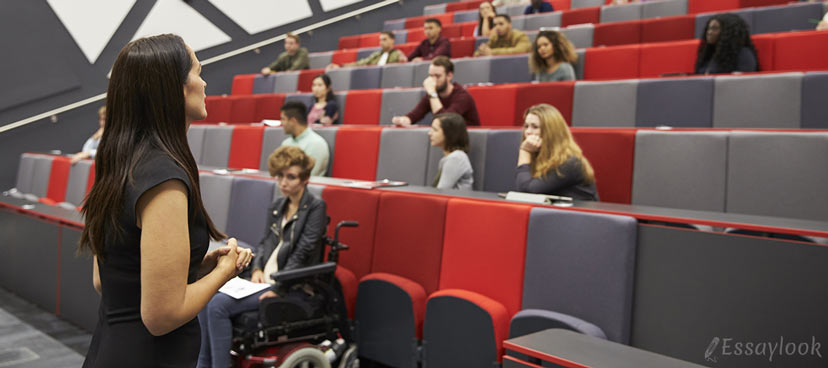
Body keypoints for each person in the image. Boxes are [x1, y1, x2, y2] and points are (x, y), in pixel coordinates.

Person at [80, 34, 253, 368]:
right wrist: (225, 271)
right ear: (175, 88)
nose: (204, 83)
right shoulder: (163, 178)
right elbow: (161, 316)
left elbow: (108, 279)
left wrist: (196, 267)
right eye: (198, 73)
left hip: (110, 349)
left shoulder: (120, 161)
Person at [198, 146, 327, 368]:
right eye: (280, 176)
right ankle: (202, 364)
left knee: (218, 306)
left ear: (305, 179)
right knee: (205, 296)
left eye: (291, 177)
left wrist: (278, 285)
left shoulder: (315, 207)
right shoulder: (277, 206)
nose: (283, 182)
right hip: (261, 281)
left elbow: (304, 251)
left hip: (290, 285)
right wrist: (257, 269)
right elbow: (264, 243)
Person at [514, 104, 598, 201]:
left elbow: (527, 193)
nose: (528, 131)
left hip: (577, 214)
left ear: (551, 132)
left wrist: (525, 151)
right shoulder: (536, 156)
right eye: (526, 126)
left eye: (535, 127)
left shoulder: (570, 162)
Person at [391, 56, 480, 126]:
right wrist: (402, 120)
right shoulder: (433, 93)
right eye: (431, 76)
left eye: (437, 76)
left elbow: (444, 122)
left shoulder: (462, 97)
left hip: (467, 142)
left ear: (449, 76)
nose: (433, 81)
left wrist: (432, 94)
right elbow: (414, 116)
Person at [695, 13, 759, 75]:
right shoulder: (710, 54)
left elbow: (744, 81)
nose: (709, 32)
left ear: (728, 32)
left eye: (715, 28)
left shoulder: (743, 54)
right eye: (708, 28)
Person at [279, 101, 330, 177]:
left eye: (283, 119)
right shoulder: (286, 143)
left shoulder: (317, 144)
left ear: (293, 121)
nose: (281, 123)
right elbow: (278, 170)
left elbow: (308, 176)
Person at [429, 113, 474, 190]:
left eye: (435, 130)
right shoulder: (449, 158)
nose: (429, 133)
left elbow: (441, 192)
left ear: (449, 133)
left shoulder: (456, 158)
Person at [327, 32, 406, 69]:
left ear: (392, 40)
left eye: (384, 40)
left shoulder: (398, 54)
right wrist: (341, 66)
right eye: (380, 40)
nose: (381, 42)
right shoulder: (376, 55)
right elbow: (361, 63)